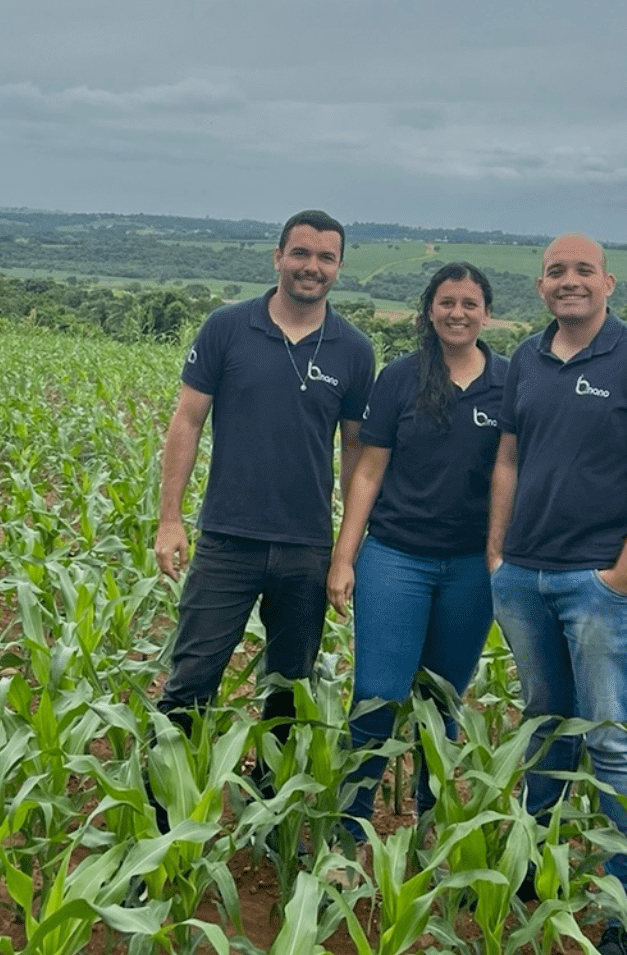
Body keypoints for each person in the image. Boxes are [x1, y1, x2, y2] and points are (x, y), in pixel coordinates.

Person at [487, 233, 627, 955]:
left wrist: (625, 576)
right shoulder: (526, 362)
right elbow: (508, 458)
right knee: (543, 725)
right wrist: (498, 555)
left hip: (603, 581)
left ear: (609, 282)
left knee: (613, 742)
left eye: (582, 270)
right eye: (554, 272)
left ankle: (624, 914)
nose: (568, 281)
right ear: (540, 287)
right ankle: (531, 868)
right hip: (525, 578)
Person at [151, 209, 376, 814]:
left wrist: (347, 553)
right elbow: (187, 422)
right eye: (301, 254)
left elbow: (356, 453)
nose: (312, 267)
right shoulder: (227, 328)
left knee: (290, 692)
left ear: (339, 268)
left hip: (306, 548)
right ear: (277, 257)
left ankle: (268, 816)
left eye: (326, 257)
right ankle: (164, 812)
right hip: (227, 540)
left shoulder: (354, 350)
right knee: (191, 681)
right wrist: (170, 518)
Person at [327, 262, 507, 847]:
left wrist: (501, 559)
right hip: (396, 558)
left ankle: (432, 821)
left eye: (470, 303)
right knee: (378, 691)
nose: (458, 313)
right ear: (429, 310)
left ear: (486, 312)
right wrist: (344, 557)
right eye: (446, 302)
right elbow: (369, 472)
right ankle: (351, 819)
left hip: (469, 569)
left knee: (443, 699)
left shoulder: (507, 384)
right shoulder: (400, 379)